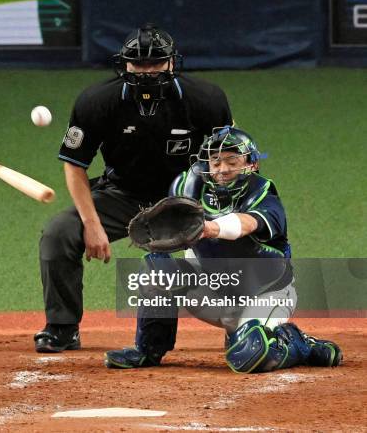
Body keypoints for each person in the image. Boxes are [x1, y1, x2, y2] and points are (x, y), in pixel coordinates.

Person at [35, 23, 233, 353]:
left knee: (234, 233)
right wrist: (92, 224)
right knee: (59, 233)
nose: (147, 72)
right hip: (122, 194)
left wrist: (218, 213)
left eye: (156, 63)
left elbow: (229, 158)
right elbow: (74, 164)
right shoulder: (97, 101)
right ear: (124, 64)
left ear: (172, 63)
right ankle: (62, 327)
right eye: (139, 64)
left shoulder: (205, 99)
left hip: (186, 197)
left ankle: (240, 324)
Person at [104, 126, 343, 373]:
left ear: (251, 164)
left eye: (231, 161)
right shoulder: (189, 188)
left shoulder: (263, 193)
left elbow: (247, 223)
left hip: (265, 295)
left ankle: (298, 343)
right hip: (213, 292)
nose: (223, 169)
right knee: (156, 266)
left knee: (253, 354)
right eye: (216, 162)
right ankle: (148, 350)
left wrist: (210, 228)